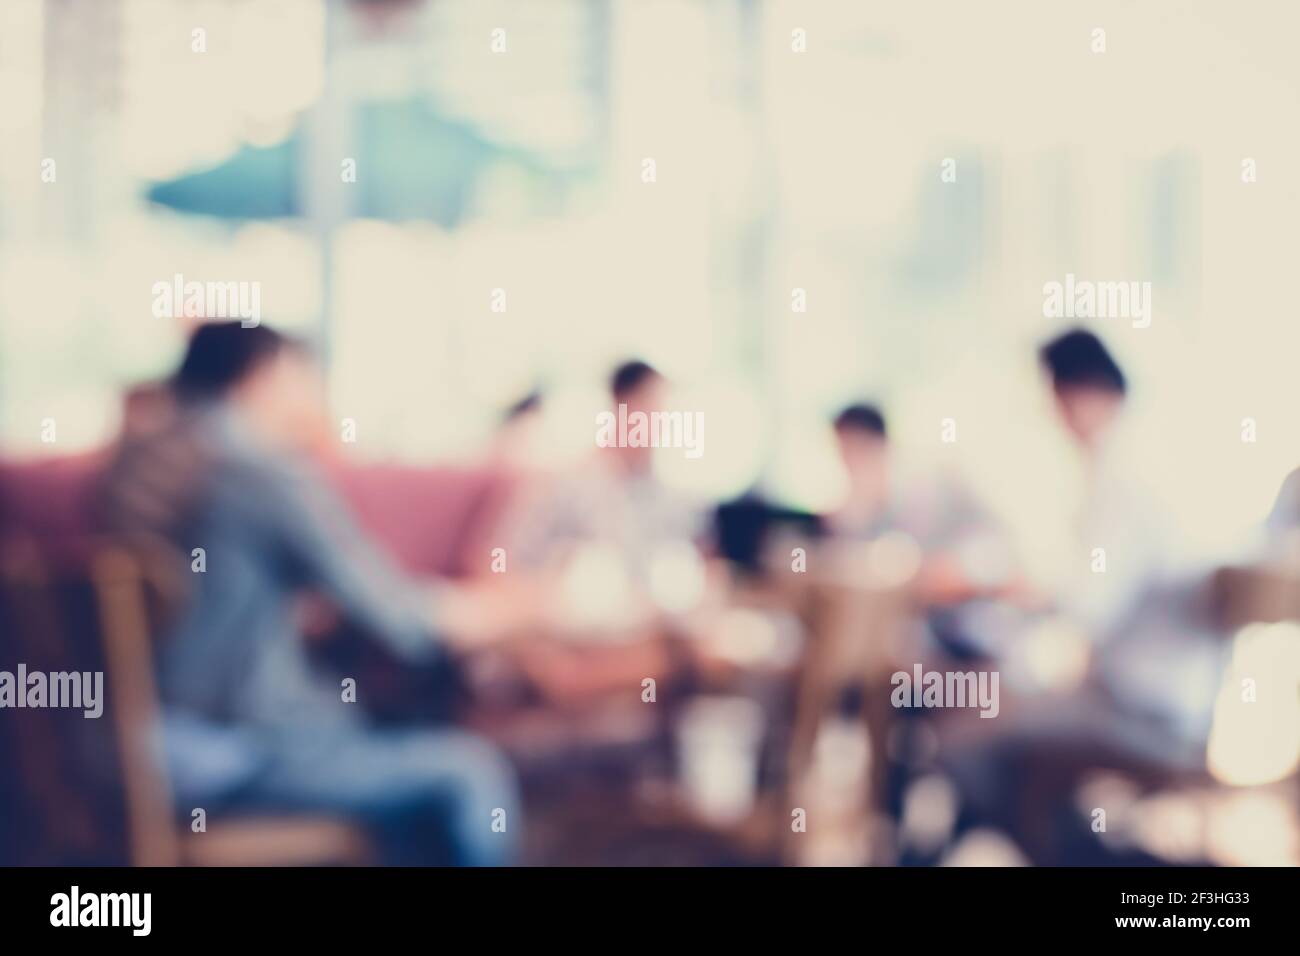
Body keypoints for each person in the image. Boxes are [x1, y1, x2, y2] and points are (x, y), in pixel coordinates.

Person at [99, 322, 519, 866]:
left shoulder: (128, 467)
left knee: (379, 748)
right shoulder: (256, 470)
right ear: (265, 377)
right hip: (228, 753)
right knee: (469, 773)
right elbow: (400, 619)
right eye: (302, 378)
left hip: (115, 752)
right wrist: (513, 611)